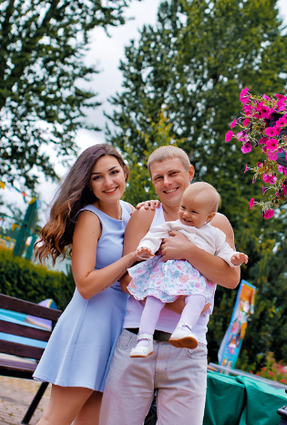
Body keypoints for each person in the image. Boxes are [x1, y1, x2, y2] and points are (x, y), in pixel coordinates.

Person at [99, 146, 240, 425]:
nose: (167, 183)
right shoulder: (146, 216)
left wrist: (188, 250)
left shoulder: (218, 222)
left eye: (173, 173)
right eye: (158, 177)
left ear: (190, 173)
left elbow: (231, 278)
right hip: (136, 339)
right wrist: (178, 304)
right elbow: (127, 278)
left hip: (189, 351)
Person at [32, 144, 150, 425]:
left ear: (125, 172)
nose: (108, 182)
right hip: (88, 330)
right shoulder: (89, 218)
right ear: (88, 184)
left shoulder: (132, 212)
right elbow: (84, 285)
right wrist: (130, 258)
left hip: (117, 332)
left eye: (113, 172)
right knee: (55, 419)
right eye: (97, 177)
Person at [127, 182, 248, 357]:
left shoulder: (215, 234)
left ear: (209, 216)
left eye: (194, 212)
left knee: (199, 298)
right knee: (153, 298)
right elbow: (154, 236)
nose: (185, 214)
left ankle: (184, 328)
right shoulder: (173, 225)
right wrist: (146, 247)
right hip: (167, 275)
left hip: (194, 280)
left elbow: (225, 252)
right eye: (183, 208)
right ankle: (144, 340)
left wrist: (234, 258)